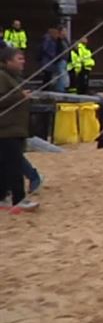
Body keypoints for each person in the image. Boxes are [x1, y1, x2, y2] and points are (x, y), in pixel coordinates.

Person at [0, 47, 38, 211]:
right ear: (7, 61)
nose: (23, 61)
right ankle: (19, 199)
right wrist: (20, 96)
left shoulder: (13, 77)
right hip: (7, 129)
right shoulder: (2, 76)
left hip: (14, 129)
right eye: (19, 58)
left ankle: (2, 198)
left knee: (6, 164)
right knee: (14, 165)